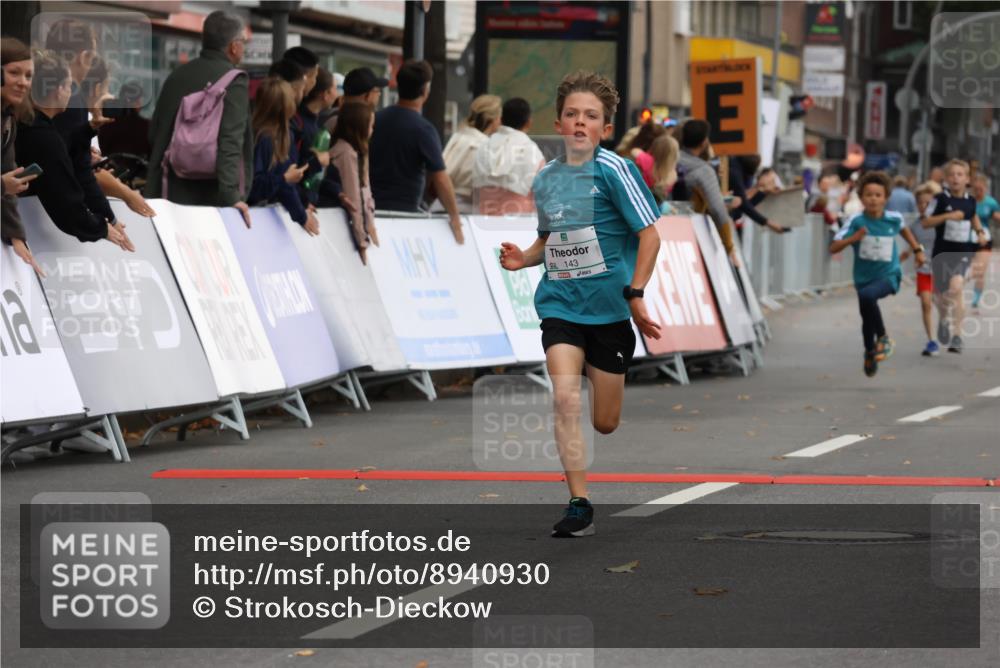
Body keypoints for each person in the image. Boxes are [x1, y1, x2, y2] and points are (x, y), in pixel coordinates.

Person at [498, 70, 662, 537]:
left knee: (605, 423)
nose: (579, 123)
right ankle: (579, 503)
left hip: (610, 310)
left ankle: (601, 378)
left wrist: (635, 293)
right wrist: (522, 259)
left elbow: (649, 235)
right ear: (559, 120)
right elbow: (548, 242)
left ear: (605, 128)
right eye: (572, 114)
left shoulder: (615, 171)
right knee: (565, 398)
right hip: (561, 304)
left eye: (590, 116)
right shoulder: (547, 179)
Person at [15, 50, 130, 249]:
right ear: (59, 90)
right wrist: (99, 227)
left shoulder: (35, 126)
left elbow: (65, 152)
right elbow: (63, 198)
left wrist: (88, 130)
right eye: (69, 86)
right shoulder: (41, 136)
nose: (71, 93)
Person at [145, 10, 252, 224]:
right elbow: (230, 142)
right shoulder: (234, 82)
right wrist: (232, 196)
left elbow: (154, 133)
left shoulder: (176, 76)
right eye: (243, 42)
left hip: (165, 194)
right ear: (234, 46)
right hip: (209, 202)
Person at [829, 171, 926, 377]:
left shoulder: (893, 218)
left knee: (867, 297)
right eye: (869, 195)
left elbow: (905, 230)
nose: (873, 199)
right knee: (867, 316)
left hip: (889, 275)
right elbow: (834, 247)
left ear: (886, 198)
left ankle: (883, 337)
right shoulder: (855, 221)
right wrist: (854, 238)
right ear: (861, 197)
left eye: (878, 195)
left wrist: (917, 250)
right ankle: (870, 352)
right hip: (863, 278)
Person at [369, 60, 463, 243]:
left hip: (371, 212)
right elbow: (441, 178)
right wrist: (455, 218)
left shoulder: (375, 119)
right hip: (405, 217)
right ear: (425, 90)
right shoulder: (423, 130)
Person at [921, 158, 987, 354]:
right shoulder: (940, 199)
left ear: (967, 179)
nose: (955, 178)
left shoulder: (970, 201)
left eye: (960, 175)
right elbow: (926, 222)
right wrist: (947, 216)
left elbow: (973, 216)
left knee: (956, 287)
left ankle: (957, 336)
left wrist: (980, 232)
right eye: (951, 175)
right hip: (941, 254)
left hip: (962, 253)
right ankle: (943, 320)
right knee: (940, 298)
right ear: (946, 179)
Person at [78, 58, 155, 218]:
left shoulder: (106, 118)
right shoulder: (146, 124)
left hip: (109, 168)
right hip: (129, 179)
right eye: (105, 88)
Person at [247, 77, 318, 235]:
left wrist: (302, 204)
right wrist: (301, 215)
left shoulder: (281, 135)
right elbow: (254, 185)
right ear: (286, 106)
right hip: (255, 218)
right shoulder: (266, 139)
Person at [1, 37, 42, 274]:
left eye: (28, 76)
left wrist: (16, 237)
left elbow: (7, 175)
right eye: (14, 73)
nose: (23, 83)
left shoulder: (8, 119)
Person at [672, 119, 737, 261]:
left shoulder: (670, 157)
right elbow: (718, 210)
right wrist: (729, 247)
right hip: (687, 235)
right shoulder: (703, 170)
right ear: (704, 142)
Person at [473, 96, 545, 215]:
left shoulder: (483, 146)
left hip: (483, 224)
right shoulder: (533, 151)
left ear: (500, 119)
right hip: (519, 227)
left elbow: (475, 192)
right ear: (528, 123)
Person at [331, 102, 379, 264]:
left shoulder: (357, 151)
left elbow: (365, 191)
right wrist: (362, 240)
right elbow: (354, 198)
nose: (373, 130)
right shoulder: (346, 153)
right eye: (370, 125)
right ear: (359, 127)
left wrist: (369, 223)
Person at [899, 185, 940, 356]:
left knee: (943, 305)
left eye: (928, 202)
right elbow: (914, 245)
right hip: (924, 268)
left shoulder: (941, 223)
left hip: (942, 268)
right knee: (925, 303)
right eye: (920, 202)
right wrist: (907, 254)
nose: (924, 205)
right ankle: (932, 341)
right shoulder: (915, 226)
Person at [443, 94, 501, 212]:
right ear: (493, 119)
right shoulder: (487, 147)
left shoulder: (458, 137)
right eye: (500, 117)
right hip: (467, 212)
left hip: (440, 205)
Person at [730, 156, 786, 237]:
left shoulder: (759, 193)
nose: (771, 185)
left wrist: (762, 191)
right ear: (766, 174)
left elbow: (744, 205)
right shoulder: (747, 175)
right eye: (772, 181)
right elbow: (742, 199)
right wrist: (757, 187)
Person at [96, 82, 151, 159]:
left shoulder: (106, 122)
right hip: (138, 168)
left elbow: (103, 148)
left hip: (109, 168)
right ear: (137, 102)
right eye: (139, 101)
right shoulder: (146, 126)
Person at [325, 66, 388, 133]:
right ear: (368, 96)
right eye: (377, 91)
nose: (379, 94)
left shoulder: (329, 121)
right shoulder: (366, 128)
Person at [970, 173, 999, 311]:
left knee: (981, 270)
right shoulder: (968, 200)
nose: (978, 192)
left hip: (985, 238)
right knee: (972, 270)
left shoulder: (991, 202)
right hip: (968, 237)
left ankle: (976, 297)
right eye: (976, 189)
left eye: (981, 189)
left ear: (986, 188)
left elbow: (997, 215)